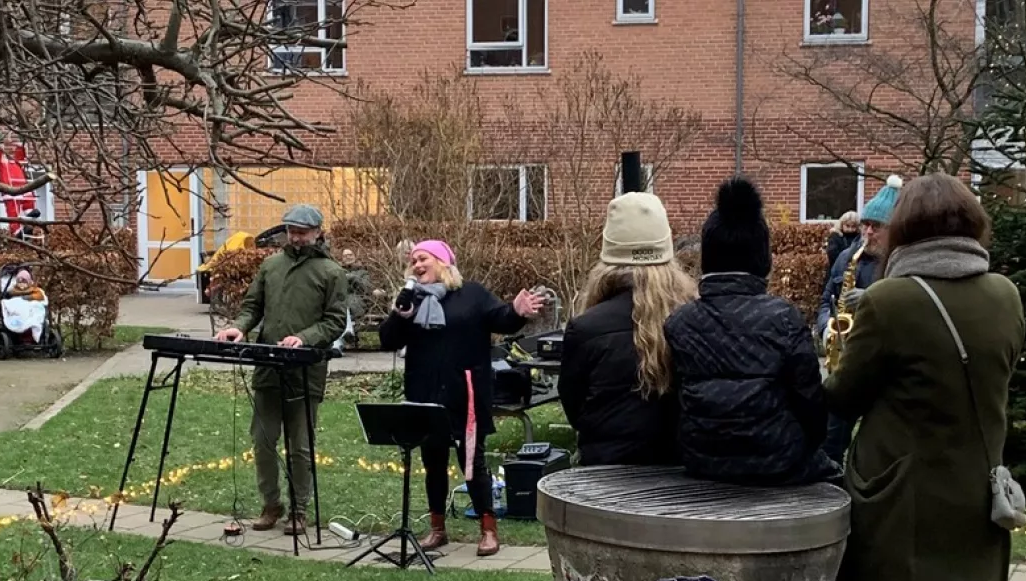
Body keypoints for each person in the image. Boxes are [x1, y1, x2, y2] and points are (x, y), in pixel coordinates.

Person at [825, 173, 1024, 581]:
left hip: (906, 505)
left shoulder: (892, 299)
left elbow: (845, 397)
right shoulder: (1006, 295)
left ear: (908, 227)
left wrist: (825, 369)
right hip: (982, 500)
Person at [664, 176, 836, 485]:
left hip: (700, 459)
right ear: (762, 258)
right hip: (779, 462)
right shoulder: (785, 319)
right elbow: (811, 404)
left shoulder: (679, 322)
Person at [378, 240, 545, 557]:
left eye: (423, 258)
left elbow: (501, 318)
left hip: (464, 393)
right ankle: (438, 529)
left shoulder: (472, 295)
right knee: (433, 463)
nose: (416, 264)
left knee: (473, 464)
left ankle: (488, 529)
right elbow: (387, 340)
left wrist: (518, 312)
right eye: (413, 260)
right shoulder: (410, 300)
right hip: (424, 394)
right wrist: (400, 315)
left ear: (442, 262)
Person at [215, 205, 348, 535]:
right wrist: (239, 328)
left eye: (302, 231)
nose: (296, 236)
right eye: (291, 230)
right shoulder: (271, 265)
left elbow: (335, 321)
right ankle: (271, 504)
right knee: (262, 440)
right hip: (268, 368)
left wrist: (304, 338)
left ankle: (300, 509)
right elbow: (252, 307)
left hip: (306, 371)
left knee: (300, 445)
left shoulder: (331, 272)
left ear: (318, 232)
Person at [559, 192, 698, 465]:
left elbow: (575, 411)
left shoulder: (585, 328)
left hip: (602, 478)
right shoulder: (694, 320)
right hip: (678, 476)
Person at [816, 175, 903, 463]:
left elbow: (907, 306)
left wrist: (869, 297)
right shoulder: (846, 258)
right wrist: (826, 328)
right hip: (848, 357)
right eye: (865, 224)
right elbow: (827, 298)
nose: (867, 232)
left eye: (876, 226)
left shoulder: (900, 263)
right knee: (831, 437)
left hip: (885, 361)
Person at [824, 210, 862, 276]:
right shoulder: (835, 236)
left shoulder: (859, 237)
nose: (850, 229)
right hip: (836, 272)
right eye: (847, 226)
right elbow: (832, 254)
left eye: (853, 226)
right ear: (842, 224)